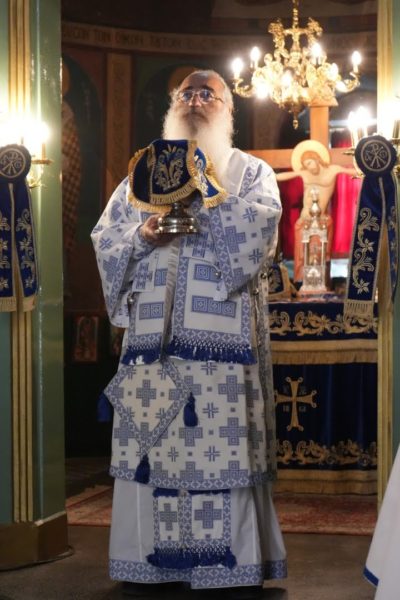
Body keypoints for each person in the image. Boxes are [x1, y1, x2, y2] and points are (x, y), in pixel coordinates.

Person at [91, 69, 286, 599]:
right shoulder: (143, 173)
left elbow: (259, 239)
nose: (196, 100)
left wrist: (208, 185)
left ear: (228, 110)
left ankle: (228, 568)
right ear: (173, 105)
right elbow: (106, 239)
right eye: (187, 93)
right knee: (151, 452)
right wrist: (142, 232)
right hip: (151, 351)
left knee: (221, 454)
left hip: (222, 353)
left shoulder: (250, 172)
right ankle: (150, 566)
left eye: (209, 94)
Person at [276, 140, 356, 283]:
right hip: (305, 220)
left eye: (309, 163)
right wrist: (269, 176)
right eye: (306, 165)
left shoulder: (333, 170)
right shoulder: (304, 172)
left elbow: (353, 172)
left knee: (319, 254)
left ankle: (319, 283)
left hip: (322, 220)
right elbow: (282, 176)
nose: (309, 167)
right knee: (302, 255)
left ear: (317, 159)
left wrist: (367, 171)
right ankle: (302, 283)